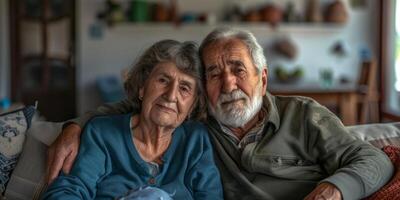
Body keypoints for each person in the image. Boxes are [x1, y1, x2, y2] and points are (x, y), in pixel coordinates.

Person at [47, 28, 393, 200]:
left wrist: (333, 190)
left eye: (238, 70)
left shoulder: (305, 116)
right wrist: (77, 124)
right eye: (213, 73)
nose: (228, 84)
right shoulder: (201, 123)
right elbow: (151, 107)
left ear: (263, 77)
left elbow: (375, 161)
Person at [42, 40, 223, 199]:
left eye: (184, 88)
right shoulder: (103, 134)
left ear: (192, 106)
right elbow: (67, 191)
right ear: (142, 88)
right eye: (163, 80)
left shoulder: (196, 141)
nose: (171, 95)